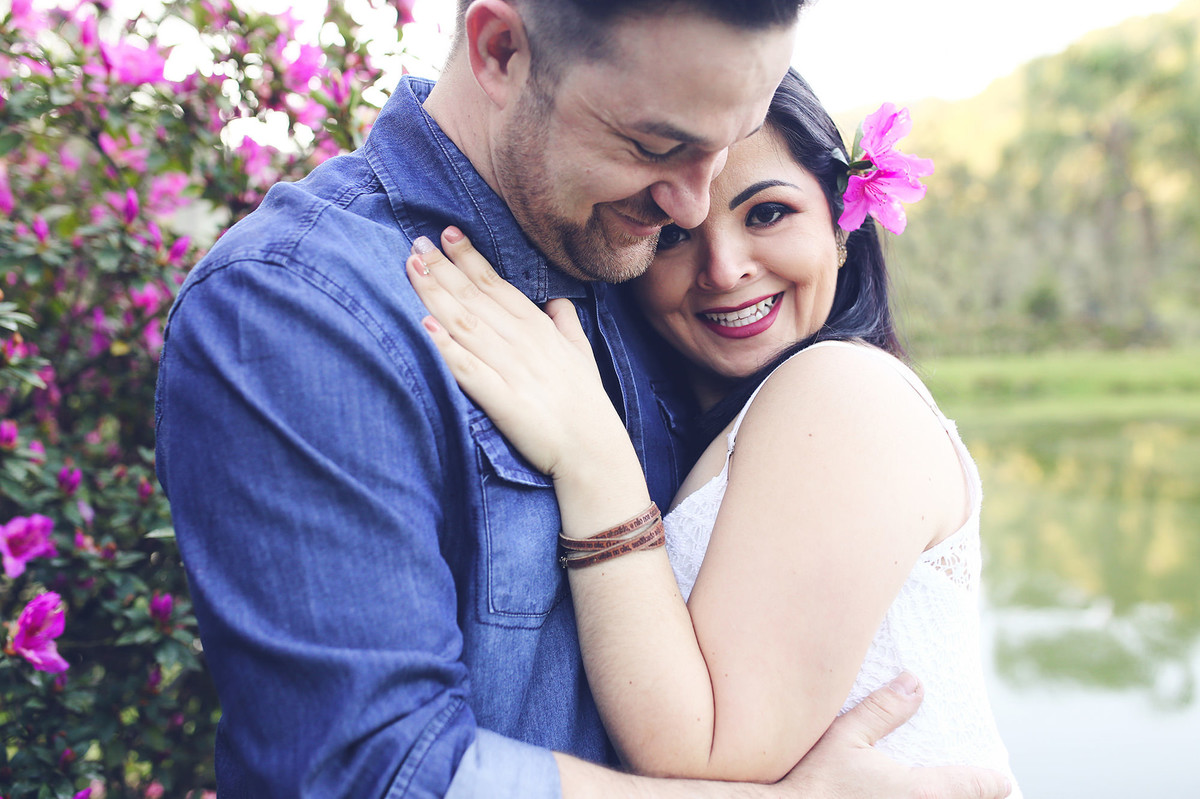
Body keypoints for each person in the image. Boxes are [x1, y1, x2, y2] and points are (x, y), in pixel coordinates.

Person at [154, 0, 1013, 795]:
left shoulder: (637, 268)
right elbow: (375, 773)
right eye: (655, 145)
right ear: (501, 50)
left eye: (734, 142)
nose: (689, 204)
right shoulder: (301, 305)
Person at [405, 68, 1021, 793]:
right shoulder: (740, 412)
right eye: (675, 237)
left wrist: (590, 456)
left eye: (767, 214)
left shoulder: (842, 391)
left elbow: (703, 749)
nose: (725, 270)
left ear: (841, 225)